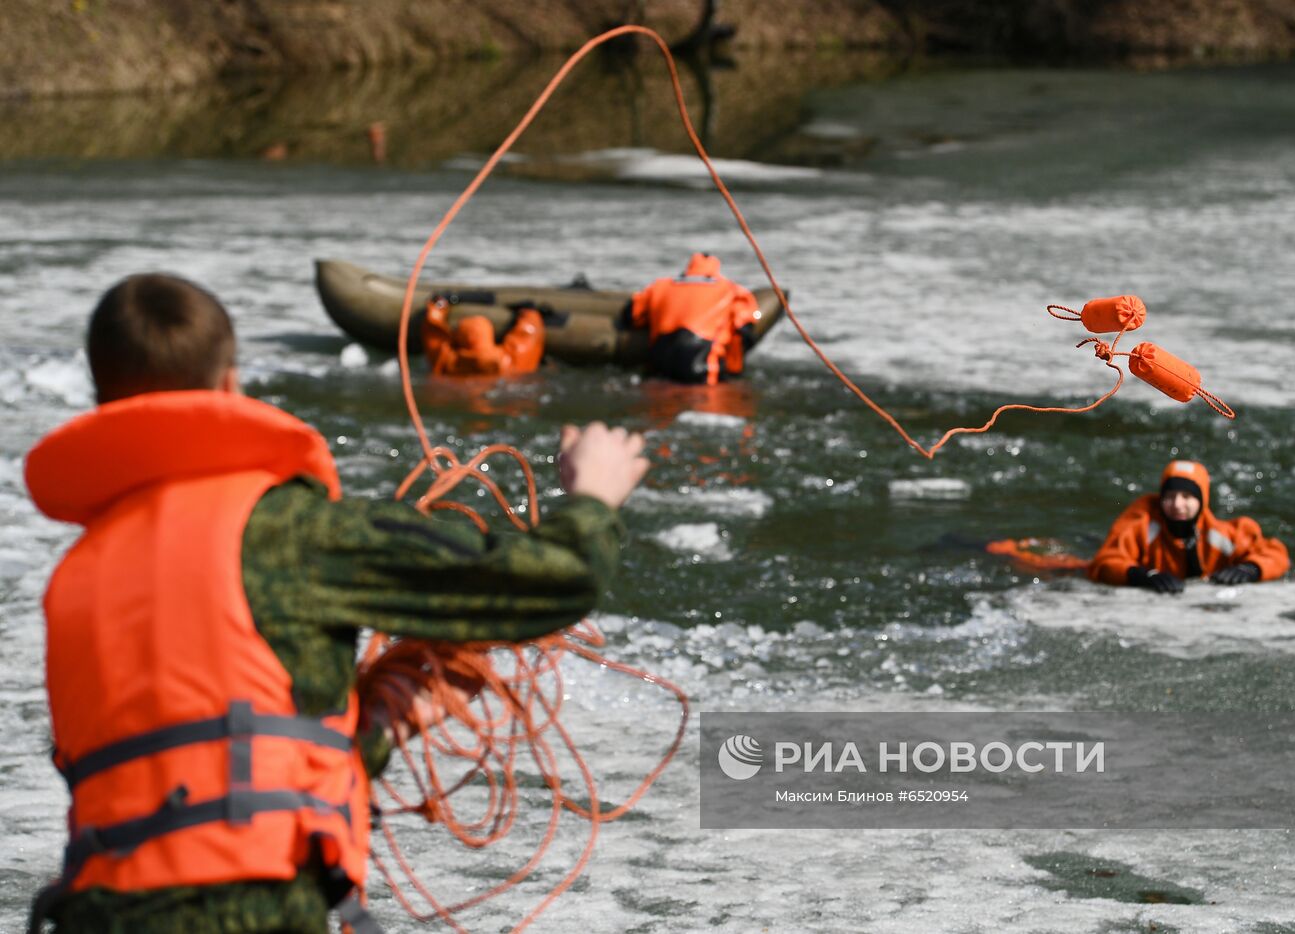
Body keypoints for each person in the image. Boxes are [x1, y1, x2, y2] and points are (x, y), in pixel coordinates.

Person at [23, 274, 649, 933]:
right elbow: (551, 580)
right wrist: (593, 497)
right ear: (231, 386)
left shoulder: (77, 579)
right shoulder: (288, 530)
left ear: (99, 399)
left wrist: (378, 727)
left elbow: (175, 776)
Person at [1088, 459, 1290, 594]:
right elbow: (1105, 563)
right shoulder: (1142, 524)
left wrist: (1250, 569)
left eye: (1186, 497)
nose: (1177, 505)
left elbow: (1277, 555)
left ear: (1202, 500)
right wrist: (1142, 576)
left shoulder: (1221, 534)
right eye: (1170, 497)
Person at [629, 252, 761, 385]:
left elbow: (633, 315)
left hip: (660, 359)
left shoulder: (658, 285)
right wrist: (758, 315)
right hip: (701, 363)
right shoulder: (731, 289)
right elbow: (746, 322)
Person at [422, 296, 545, 377]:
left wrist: (438, 305)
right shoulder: (505, 362)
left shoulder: (446, 362)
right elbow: (527, 339)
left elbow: (434, 335)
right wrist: (530, 312)